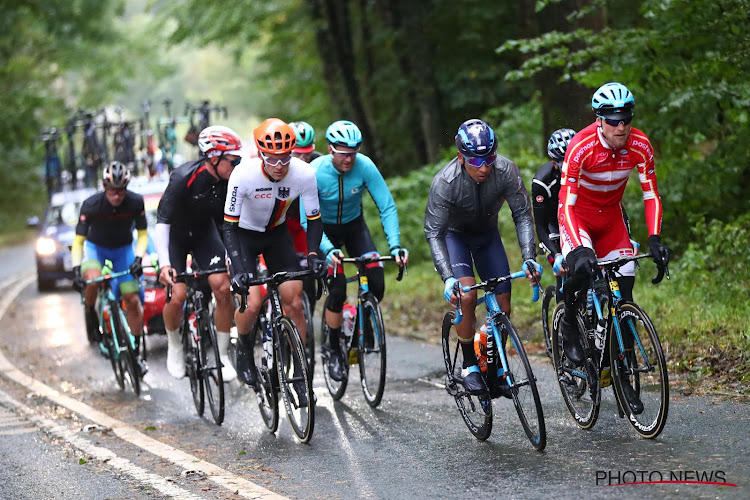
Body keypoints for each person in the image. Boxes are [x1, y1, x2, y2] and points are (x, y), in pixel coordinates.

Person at [558, 82, 671, 414]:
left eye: (625, 119)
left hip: (611, 220)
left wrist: (654, 239)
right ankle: (568, 321)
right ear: (599, 120)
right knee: (580, 268)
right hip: (578, 216)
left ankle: (623, 373)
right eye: (612, 119)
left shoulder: (640, 145)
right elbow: (566, 202)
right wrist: (579, 249)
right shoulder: (580, 147)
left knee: (624, 294)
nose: (620, 126)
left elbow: (651, 194)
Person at [424, 118, 539, 396]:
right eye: (476, 162)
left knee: (503, 304)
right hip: (455, 237)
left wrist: (529, 256)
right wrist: (447, 277)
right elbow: (434, 232)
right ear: (460, 157)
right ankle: (469, 366)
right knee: (467, 296)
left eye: (489, 159)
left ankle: (497, 368)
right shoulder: (445, 182)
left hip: (487, 236)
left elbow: (522, 214)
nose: (484, 167)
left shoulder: (506, 170)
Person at [224, 118, 327, 406]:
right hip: (243, 236)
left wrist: (314, 254)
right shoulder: (242, 175)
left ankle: (300, 373)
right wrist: (239, 268)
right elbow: (229, 227)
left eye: (285, 157)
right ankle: (243, 349)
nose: (280, 165)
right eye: (272, 158)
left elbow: (315, 221)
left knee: (294, 300)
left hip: (276, 235)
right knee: (252, 302)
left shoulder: (304, 174)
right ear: (259, 153)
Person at [309, 120, 409, 382]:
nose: (349, 158)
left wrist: (395, 245)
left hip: (354, 227)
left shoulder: (365, 166)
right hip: (322, 229)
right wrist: (327, 249)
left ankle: (363, 318)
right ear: (330, 149)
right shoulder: (315, 172)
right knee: (338, 287)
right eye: (343, 152)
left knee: (376, 280)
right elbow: (306, 217)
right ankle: (331, 347)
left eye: (353, 152)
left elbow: (386, 206)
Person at [155, 125, 243, 382]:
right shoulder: (183, 178)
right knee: (178, 293)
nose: (237, 165)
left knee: (222, 286)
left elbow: (232, 222)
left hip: (205, 233)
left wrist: (233, 254)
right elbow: (162, 221)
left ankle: (223, 354)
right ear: (214, 157)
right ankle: (175, 344)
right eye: (233, 160)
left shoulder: (230, 180)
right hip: (176, 236)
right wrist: (164, 264)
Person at [71, 161, 149, 377]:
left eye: (121, 191)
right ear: (105, 187)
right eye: (113, 191)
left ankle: (135, 352)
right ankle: (90, 311)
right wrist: (77, 269)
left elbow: (142, 235)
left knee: (132, 299)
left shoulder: (135, 202)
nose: (117, 196)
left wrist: (138, 258)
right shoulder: (91, 205)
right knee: (94, 280)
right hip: (96, 249)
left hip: (123, 250)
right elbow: (78, 242)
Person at [287, 121, 324, 312]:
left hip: (305, 224)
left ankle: (307, 312)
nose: (304, 158)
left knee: (310, 269)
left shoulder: (319, 163)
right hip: (281, 223)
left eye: (307, 153)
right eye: (298, 153)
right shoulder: (276, 165)